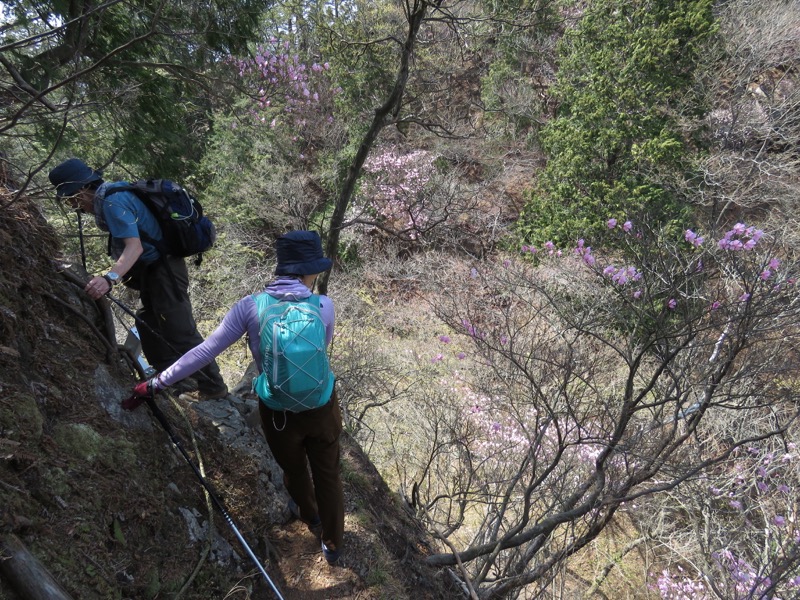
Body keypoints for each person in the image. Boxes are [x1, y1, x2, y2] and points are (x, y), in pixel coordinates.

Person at [124, 230, 345, 565]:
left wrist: (156, 383)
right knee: (328, 473)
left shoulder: (250, 307)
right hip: (322, 407)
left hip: (278, 412)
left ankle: (309, 515)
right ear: (308, 270)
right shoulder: (324, 306)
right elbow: (321, 354)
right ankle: (332, 543)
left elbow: (204, 352)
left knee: (294, 468)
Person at [48, 158, 227, 400]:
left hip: (165, 268)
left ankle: (213, 388)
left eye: (71, 199)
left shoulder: (112, 201)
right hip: (155, 270)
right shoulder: (111, 196)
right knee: (147, 323)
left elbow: (135, 247)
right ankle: (176, 379)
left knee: (179, 329)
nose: (73, 206)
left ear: (81, 191)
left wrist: (109, 278)